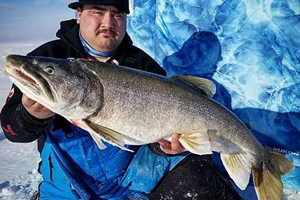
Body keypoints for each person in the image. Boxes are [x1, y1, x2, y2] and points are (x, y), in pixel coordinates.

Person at [0, 0, 242, 199]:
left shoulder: (144, 66)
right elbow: (11, 130)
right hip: (66, 183)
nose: (108, 23)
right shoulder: (48, 58)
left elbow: (155, 141)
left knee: (197, 179)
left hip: (131, 181)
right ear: (79, 14)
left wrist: (169, 148)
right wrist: (30, 116)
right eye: (98, 11)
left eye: (117, 14)